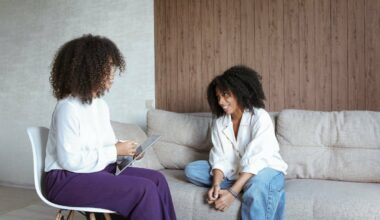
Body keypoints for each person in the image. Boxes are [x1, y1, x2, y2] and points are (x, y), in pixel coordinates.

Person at [45, 34, 176, 220]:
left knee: (157, 179)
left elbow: (107, 144)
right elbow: (70, 161)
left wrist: (127, 150)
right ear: (88, 70)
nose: (113, 73)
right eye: (107, 67)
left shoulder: (100, 105)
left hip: (95, 170)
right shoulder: (67, 108)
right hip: (66, 179)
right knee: (144, 190)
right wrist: (115, 150)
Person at [184, 65, 288, 220]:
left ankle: (255, 186)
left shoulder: (260, 117)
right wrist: (216, 184)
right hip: (235, 170)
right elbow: (220, 157)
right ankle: (249, 186)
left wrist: (232, 193)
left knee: (258, 185)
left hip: (265, 169)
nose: (221, 101)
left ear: (240, 92)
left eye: (226, 95)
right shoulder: (220, 122)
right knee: (192, 170)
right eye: (218, 96)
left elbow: (257, 160)